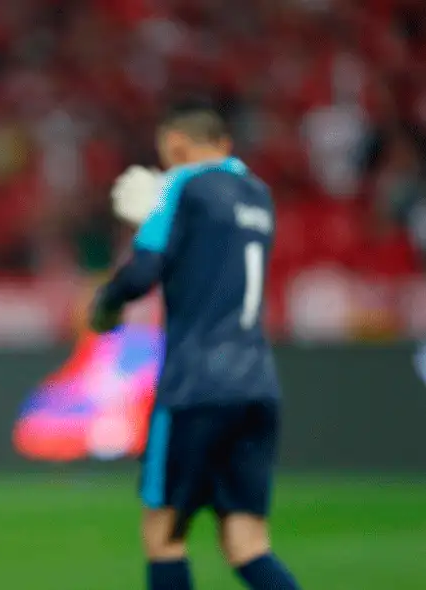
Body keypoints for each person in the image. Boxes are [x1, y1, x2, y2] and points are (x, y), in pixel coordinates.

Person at [90, 103, 301, 590]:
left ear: (179, 146)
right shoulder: (260, 194)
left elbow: (144, 270)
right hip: (258, 386)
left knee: (164, 536)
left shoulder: (183, 184)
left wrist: (104, 306)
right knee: (248, 543)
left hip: (196, 385)